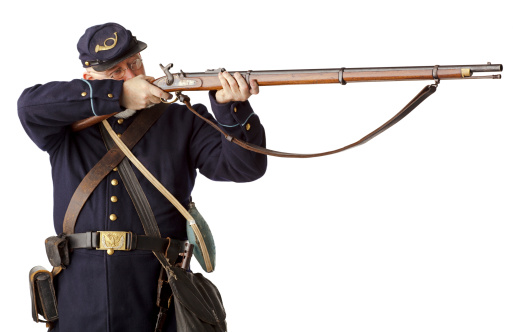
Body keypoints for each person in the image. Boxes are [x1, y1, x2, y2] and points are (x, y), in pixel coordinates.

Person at [18, 22, 267, 332]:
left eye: (134, 63)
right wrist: (118, 95)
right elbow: (29, 105)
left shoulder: (182, 119)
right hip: (80, 295)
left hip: (159, 291)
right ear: (90, 79)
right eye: (116, 72)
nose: (132, 76)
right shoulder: (66, 125)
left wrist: (232, 109)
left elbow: (245, 168)